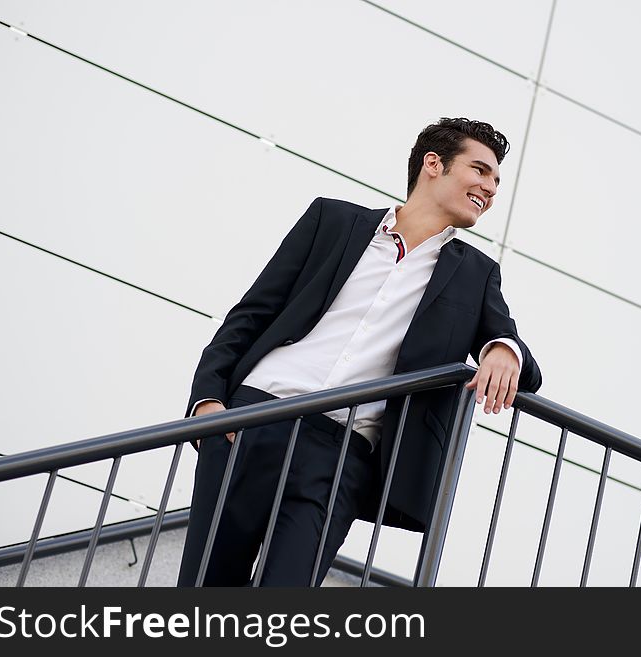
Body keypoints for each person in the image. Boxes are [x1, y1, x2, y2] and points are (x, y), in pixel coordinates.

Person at [177, 117, 542, 586]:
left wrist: (503, 350)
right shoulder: (333, 221)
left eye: (495, 180)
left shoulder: (474, 273)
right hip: (251, 421)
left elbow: (516, 350)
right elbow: (251, 315)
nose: (490, 188)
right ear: (434, 164)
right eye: (480, 170)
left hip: (341, 455)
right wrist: (208, 401)